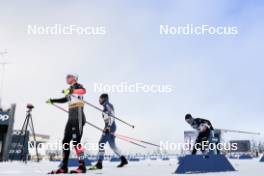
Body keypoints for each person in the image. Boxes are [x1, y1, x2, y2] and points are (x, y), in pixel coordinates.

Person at [47, 74, 87, 174]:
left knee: (76, 142)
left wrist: (71, 91)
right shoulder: (70, 90)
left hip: (78, 116)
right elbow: (64, 99)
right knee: (65, 141)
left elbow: (83, 91)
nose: (67, 78)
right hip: (71, 118)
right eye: (66, 77)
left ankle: (82, 166)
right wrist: (53, 100)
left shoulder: (77, 85)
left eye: (69, 76)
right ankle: (64, 167)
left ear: (74, 78)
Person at [89, 93, 128, 170]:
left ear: (104, 98)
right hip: (110, 127)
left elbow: (111, 116)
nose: (99, 100)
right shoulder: (106, 106)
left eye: (100, 98)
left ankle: (99, 163)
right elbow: (109, 117)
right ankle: (123, 159)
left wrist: (108, 127)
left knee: (101, 143)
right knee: (112, 145)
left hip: (110, 127)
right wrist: (107, 126)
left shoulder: (107, 105)